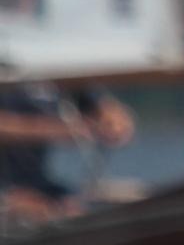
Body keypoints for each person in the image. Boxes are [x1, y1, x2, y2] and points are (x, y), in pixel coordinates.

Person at [0, 84, 134, 225]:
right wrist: (58, 130)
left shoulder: (55, 73)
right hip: (8, 191)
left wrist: (113, 123)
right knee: (41, 212)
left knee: (76, 209)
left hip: (38, 185)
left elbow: (110, 113)